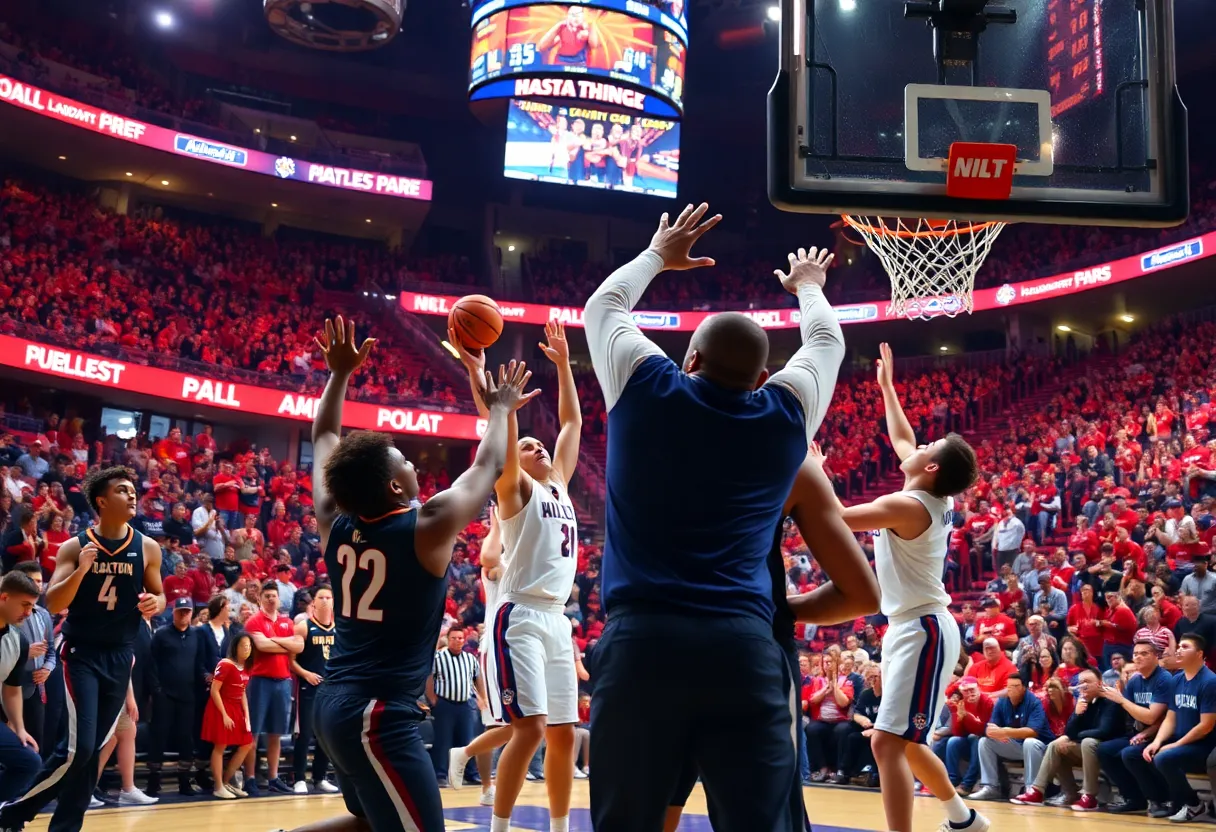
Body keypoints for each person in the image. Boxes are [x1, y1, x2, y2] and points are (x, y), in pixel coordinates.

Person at [583, 204, 847, 832]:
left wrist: (657, 254)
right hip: (743, 648)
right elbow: (827, 342)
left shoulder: (645, 386)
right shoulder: (785, 414)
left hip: (643, 643)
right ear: (762, 376)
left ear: (690, 359)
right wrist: (809, 286)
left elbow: (603, 308)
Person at [283, 316, 529, 832]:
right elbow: (487, 466)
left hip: (336, 702)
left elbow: (325, 432)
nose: (413, 465)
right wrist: (501, 407)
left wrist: (338, 375)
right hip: (377, 714)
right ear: (397, 488)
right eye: (404, 463)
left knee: (375, 822)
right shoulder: (428, 525)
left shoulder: (334, 519)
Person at [826, 341, 985, 832]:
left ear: (931, 468)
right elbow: (903, 438)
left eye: (926, 449)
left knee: (885, 742)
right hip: (908, 627)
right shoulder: (927, 493)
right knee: (907, 745)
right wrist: (887, 390)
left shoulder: (909, 506)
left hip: (925, 629)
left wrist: (817, 471)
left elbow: (835, 516)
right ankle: (965, 820)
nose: (915, 447)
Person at [451, 319, 582, 832]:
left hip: (557, 620)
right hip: (520, 615)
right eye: (528, 446)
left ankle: (560, 828)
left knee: (564, 734)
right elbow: (500, 437)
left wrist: (566, 366)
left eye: (539, 445)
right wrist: (487, 391)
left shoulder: (562, 487)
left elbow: (570, 425)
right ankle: (501, 827)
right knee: (527, 730)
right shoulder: (516, 491)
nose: (539, 448)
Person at [0, 467, 165, 832]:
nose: (133, 495)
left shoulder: (148, 547)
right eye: (123, 490)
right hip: (82, 654)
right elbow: (55, 601)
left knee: (91, 754)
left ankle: (64, 827)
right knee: (78, 749)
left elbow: (160, 594)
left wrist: (157, 603)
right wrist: (81, 571)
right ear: (102, 501)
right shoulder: (75, 546)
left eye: (134, 490)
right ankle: (14, 809)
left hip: (121, 656)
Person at [449, 509, 511, 808]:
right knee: (499, 724)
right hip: (500, 647)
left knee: (528, 724)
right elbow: (489, 559)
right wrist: (498, 524)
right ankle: (487, 784)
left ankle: (493, 777)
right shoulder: (496, 565)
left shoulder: (527, 561)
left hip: (522, 645)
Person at [1123, 633, 1216, 821]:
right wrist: (1156, 742)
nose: (1178, 650)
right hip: (1182, 741)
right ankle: (1163, 801)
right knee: (1139, 753)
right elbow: (1170, 718)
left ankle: (1193, 804)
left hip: (1203, 745)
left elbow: (1206, 726)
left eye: (1185, 646)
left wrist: (1175, 745)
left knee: (1165, 758)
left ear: (1199, 654)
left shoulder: (1210, 681)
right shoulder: (1178, 679)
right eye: (1179, 646)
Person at [1010, 668, 1123, 810]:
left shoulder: (1110, 701)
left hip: (1107, 749)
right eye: (1081, 682)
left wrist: (1075, 738)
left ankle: (1089, 796)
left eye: (1087, 682)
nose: (1083, 686)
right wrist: (1076, 715)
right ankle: (1040, 792)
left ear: (1099, 683)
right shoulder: (1083, 702)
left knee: (1087, 742)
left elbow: (1104, 731)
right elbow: (1069, 731)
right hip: (1085, 748)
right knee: (1056, 745)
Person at [243, 581, 302, 794]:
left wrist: (274, 641)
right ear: (260, 599)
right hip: (259, 681)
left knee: (276, 733)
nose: (270, 599)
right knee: (253, 733)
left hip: (283, 681)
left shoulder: (287, 621)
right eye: (266, 595)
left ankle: (273, 778)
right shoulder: (253, 621)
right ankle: (249, 778)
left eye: (273, 595)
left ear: (279, 598)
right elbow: (261, 645)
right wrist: (285, 643)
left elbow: (299, 646)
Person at [148, 597, 208, 796]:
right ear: (173, 612)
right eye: (180, 611)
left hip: (188, 694)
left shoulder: (196, 636)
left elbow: (199, 663)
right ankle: (153, 780)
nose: (183, 615)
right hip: (164, 694)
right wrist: (156, 689)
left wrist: (205, 677)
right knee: (159, 735)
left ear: (192, 613)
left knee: (186, 738)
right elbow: (151, 663)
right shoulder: (161, 634)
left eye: (187, 611)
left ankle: (184, 781)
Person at [0, 571, 47, 807]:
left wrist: (19, 728)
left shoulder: (18, 641)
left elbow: (12, 688)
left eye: (32, 606)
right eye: (25, 605)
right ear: (4, 598)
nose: (28, 613)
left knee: (29, 761)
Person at [970, 676, 1054, 801]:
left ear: (1024, 688)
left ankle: (1031, 789)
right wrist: (993, 733)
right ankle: (991, 787)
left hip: (1041, 748)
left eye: (1016, 686)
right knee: (985, 741)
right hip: (1016, 746)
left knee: (1029, 742)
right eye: (1009, 686)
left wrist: (1005, 732)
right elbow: (990, 728)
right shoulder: (1001, 702)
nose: (1011, 689)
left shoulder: (1034, 702)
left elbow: (1032, 732)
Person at [292, 584, 337, 794]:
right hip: (308, 689)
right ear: (314, 602)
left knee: (326, 734)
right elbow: (290, 661)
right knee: (305, 733)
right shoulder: (304, 627)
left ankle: (320, 777)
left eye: (329, 597)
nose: (326, 600)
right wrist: (306, 674)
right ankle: (299, 778)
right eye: (322, 597)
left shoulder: (340, 629)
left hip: (330, 690)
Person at [426, 628, 483, 788]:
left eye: (460, 638)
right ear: (448, 639)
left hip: (465, 704)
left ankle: (470, 774)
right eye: (454, 638)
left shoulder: (470, 658)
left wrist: (483, 698)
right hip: (445, 704)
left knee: (468, 741)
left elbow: (478, 678)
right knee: (443, 741)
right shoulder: (438, 657)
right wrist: (432, 698)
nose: (457, 641)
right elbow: (429, 677)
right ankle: (440, 775)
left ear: (464, 640)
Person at [202, 632, 255, 799]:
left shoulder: (247, 667)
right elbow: (214, 690)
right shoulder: (225, 664)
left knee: (247, 743)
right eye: (243, 646)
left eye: (249, 646)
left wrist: (247, 715)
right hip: (221, 707)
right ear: (235, 647)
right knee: (220, 746)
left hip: (237, 707)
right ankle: (218, 786)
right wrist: (224, 714)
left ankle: (226, 782)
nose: (247, 649)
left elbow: (243, 692)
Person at [11, 562, 52, 754]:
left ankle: (35, 782)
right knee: (13, 743)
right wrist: (25, 653)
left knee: (37, 741)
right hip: (10, 686)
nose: (38, 586)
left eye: (40, 582)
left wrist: (47, 669)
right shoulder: (8, 614)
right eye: (32, 581)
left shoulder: (43, 614)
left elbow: (51, 651)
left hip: (36, 685)